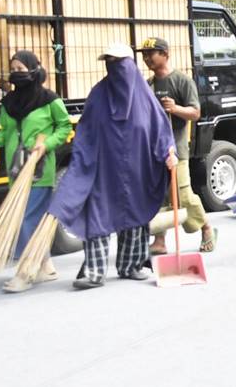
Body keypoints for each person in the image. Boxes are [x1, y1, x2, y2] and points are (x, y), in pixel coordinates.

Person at [48, 43, 177, 290]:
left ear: (129, 66)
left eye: (119, 63)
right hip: (104, 170)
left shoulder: (145, 97)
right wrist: (83, 162)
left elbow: (160, 129)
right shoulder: (98, 95)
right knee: (98, 214)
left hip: (139, 169)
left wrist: (168, 152)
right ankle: (94, 272)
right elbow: (85, 131)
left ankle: (131, 265)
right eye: (110, 62)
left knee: (136, 215)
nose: (115, 68)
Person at [0, 50, 72, 293]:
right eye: (13, 70)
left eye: (21, 69)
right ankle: (46, 266)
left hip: (39, 169)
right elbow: (6, 133)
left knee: (27, 218)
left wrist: (45, 144)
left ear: (34, 69)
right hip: (16, 168)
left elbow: (64, 127)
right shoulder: (9, 103)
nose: (16, 74)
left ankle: (26, 272)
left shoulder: (50, 100)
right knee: (30, 219)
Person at [138, 37, 217, 254]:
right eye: (144, 55)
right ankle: (160, 241)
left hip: (176, 149)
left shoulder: (182, 81)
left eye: (151, 53)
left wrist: (175, 108)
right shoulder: (148, 85)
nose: (146, 58)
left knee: (183, 194)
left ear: (165, 54)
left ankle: (206, 227)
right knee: (159, 195)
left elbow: (195, 112)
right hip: (155, 150)